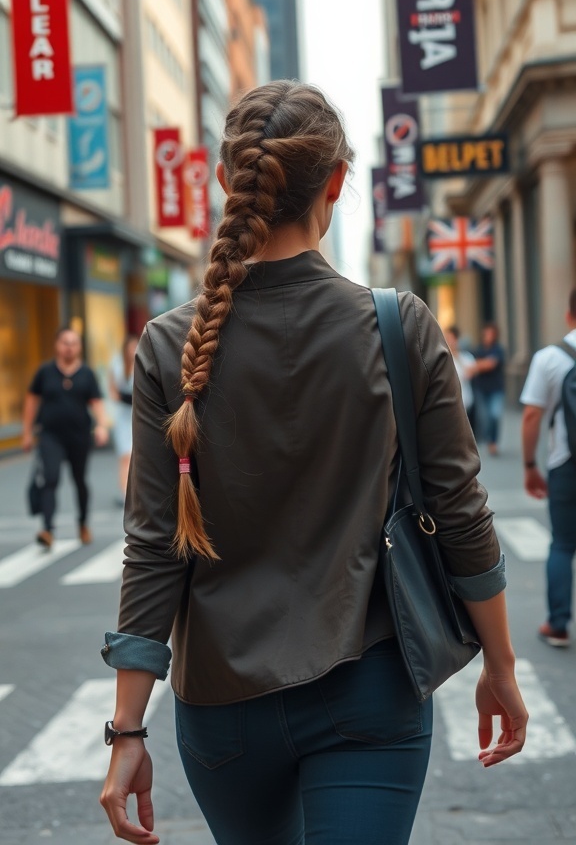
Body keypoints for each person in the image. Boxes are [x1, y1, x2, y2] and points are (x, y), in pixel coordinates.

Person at [99, 81, 527, 845]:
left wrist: (127, 729)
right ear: (335, 182)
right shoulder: (398, 327)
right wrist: (500, 663)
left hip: (222, 708)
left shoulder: (168, 344)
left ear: (227, 183)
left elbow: (154, 546)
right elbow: (462, 512)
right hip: (369, 687)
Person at [520, 288, 576, 648]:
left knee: (562, 544)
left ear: (569, 313)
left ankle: (557, 625)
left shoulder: (550, 358)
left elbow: (531, 415)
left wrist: (529, 466)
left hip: (566, 464)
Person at [22, 327, 110, 548]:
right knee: (50, 479)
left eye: (73, 343)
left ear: (79, 347)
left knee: (79, 481)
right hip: (50, 436)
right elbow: (31, 402)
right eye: (65, 342)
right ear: (57, 345)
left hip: (79, 437)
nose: (69, 347)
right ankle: (47, 529)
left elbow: (97, 403)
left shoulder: (86, 374)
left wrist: (101, 425)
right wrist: (26, 432)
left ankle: (82, 524)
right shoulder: (45, 372)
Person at [109, 335, 139, 507]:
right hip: (122, 416)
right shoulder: (117, 365)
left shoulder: (144, 361)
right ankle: (125, 493)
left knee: (138, 455)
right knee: (125, 456)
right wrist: (126, 398)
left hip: (138, 415)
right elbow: (112, 391)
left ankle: (137, 492)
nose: (132, 350)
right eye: (130, 347)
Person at [474, 322, 506, 455]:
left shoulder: (498, 349)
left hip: (496, 389)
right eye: (486, 333)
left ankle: (493, 441)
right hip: (482, 389)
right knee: (485, 417)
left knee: (495, 415)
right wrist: (481, 364)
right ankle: (489, 440)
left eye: (490, 334)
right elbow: (472, 364)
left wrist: (480, 365)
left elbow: (490, 365)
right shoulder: (479, 349)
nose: (488, 336)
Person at [444, 325, 477, 430]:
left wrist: (456, 356)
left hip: (464, 399)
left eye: (450, 338)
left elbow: (470, 373)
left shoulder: (466, 357)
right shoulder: (443, 358)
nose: (448, 341)